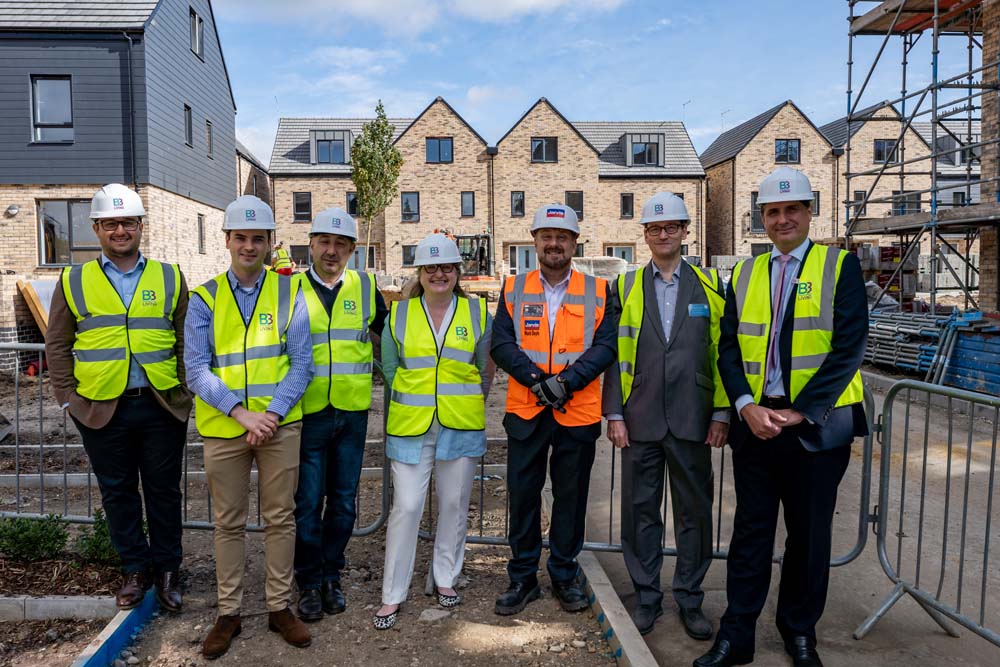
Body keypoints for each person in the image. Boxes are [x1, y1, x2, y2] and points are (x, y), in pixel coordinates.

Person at [694, 167, 867, 667]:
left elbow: (848, 348)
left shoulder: (839, 267)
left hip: (815, 429)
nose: (783, 218)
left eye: (793, 209)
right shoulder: (745, 273)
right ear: (762, 218)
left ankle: (799, 631)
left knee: (809, 538)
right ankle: (736, 636)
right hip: (757, 427)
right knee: (750, 534)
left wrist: (800, 411)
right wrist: (745, 405)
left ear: (810, 212)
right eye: (773, 211)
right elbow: (728, 347)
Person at [45, 183, 191, 613]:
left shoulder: (169, 276)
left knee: (164, 491)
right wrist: (67, 398)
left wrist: (183, 390)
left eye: (128, 222)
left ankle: (167, 570)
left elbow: (185, 339)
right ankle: (134, 568)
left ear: (141, 226)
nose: (120, 230)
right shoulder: (74, 280)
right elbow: (57, 343)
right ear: (97, 228)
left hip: (161, 404)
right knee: (118, 492)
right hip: (98, 407)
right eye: (111, 223)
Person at [185, 195, 313, 659]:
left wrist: (271, 415)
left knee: (281, 518)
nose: (249, 246)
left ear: (270, 243)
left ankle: (279, 607)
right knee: (228, 522)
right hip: (225, 428)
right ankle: (229, 612)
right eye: (241, 237)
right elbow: (196, 369)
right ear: (227, 241)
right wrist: (242, 414)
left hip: (278, 426)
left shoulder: (289, 292)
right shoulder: (203, 298)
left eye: (258, 238)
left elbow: (302, 364)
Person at [602, 192, 729, 638]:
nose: (662, 234)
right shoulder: (625, 287)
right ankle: (647, 596)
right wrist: (613, 412)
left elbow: (723, 353)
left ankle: (690, 598)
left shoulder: (711, 287)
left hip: (695, 417)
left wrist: (722, 410)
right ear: (645, 236)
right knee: (640, 511)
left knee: (694, 513)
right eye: (654, 229)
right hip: (639, 418)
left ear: (684, 232)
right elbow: (614, 354)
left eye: (670, 227)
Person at [491, 203, 616, 616]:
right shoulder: (514, 288)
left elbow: (605, 347)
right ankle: (523, 577)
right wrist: (537, 381)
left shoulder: (599, 290)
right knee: (523, 496)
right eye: (547, 236)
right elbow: (502, 345)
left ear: (574, 243)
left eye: (562, 237)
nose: (554, 243)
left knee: (570, 497)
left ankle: (564, 573)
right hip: (527, 411)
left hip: (576, 414)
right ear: (535, 241)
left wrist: (566, 382)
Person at [373, 233, 494, 630]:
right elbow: (390, 369)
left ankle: (446, 578)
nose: (439, 274)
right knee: (406, 507)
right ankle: (393, 594)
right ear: (420, 273)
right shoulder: (400, 315)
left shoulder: (477, 314)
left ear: (457, 271)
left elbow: (485, 368)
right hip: (412, 427)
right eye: (431, 267)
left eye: (446, 267)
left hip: (459, 424)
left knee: (454, 505)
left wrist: (464, 399)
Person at [293, 208, 388, 621]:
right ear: (311, 244)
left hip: (351, 412)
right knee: (308, 501)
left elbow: (393, 337)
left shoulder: (367, 289)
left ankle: (333, 573)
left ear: (352, 249)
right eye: (324, 243)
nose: (332, 251)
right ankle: (309, 581)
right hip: (308, 410)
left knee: (345, 503)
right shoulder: (289, 290)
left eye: (341, 244)